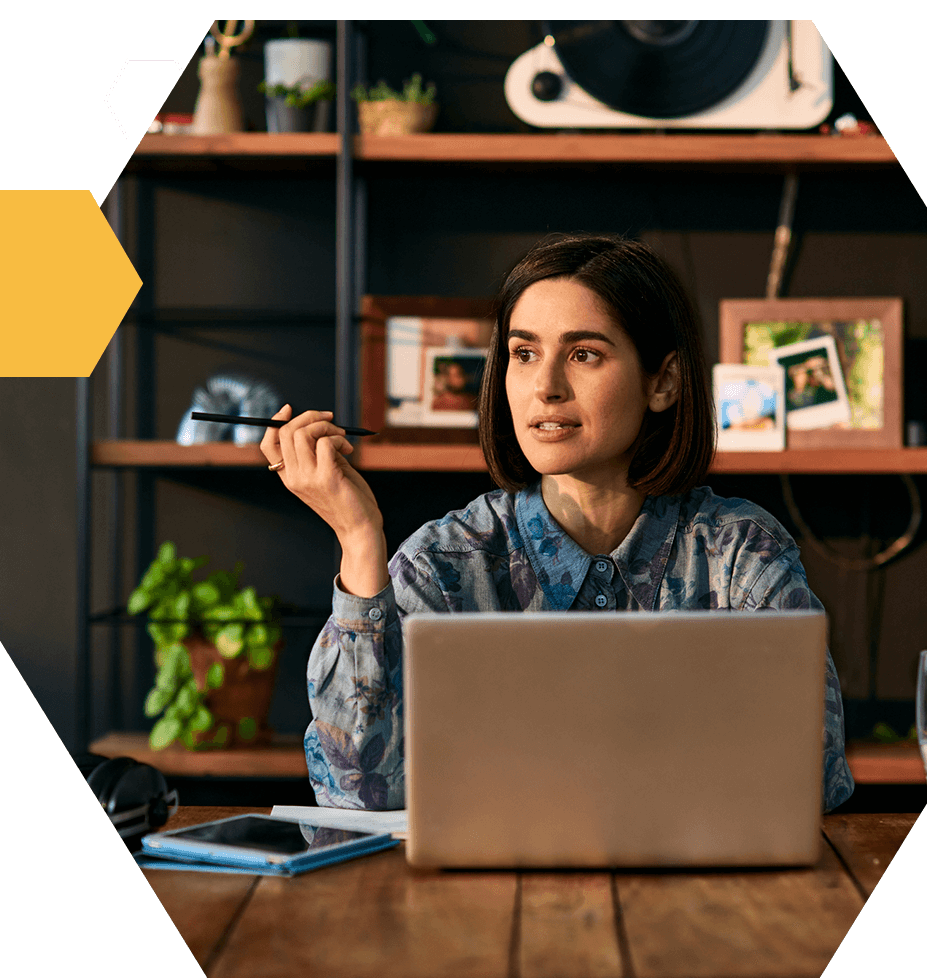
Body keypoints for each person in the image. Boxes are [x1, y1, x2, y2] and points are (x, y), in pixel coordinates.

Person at [261, 234, 855, 813]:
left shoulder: (740, 552)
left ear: (664, 382)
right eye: (524, 354)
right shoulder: (443, 563)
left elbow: (811, 775)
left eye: (583, 354)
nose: (545, 387)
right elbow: (358, 789)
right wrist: (359, 541)